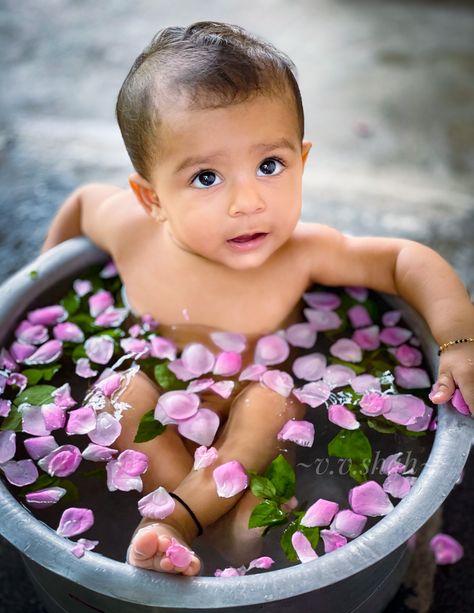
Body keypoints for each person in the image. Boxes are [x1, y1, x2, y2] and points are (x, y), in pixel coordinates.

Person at [40, 21, 474, 577]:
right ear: (151, 198)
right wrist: (45, 275)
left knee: (272, 401)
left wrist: (459, 340)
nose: (248, 201)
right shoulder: (130, 232)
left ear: (302, 159)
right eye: (205, 178)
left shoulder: (301, 252)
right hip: (158, 387)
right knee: (121, 398)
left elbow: (404, 261)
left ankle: (177, 525)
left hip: (255, 410)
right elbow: (79, 205)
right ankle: (211, 528)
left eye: (270, 165)